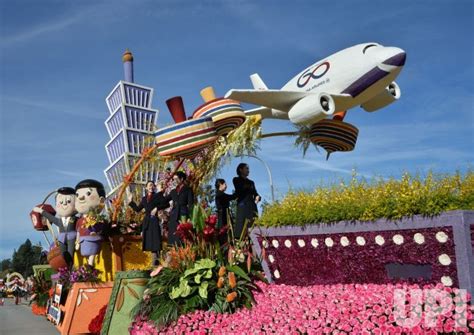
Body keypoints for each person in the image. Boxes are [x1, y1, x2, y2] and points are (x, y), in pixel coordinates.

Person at [128, 181, 169, 266]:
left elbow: (166, 204)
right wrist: (131, 202)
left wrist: (157, 208)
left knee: (156, 244)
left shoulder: (158, 195)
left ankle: (154, 265)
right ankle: (155, 265)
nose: (151, 187)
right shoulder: (144, 199)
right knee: (150, 244)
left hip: (154, 221)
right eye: (149, 185)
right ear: (146, 188)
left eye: (153, 185)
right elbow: (138, 209)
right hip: (146, 223)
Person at [33, 187, 77, 266]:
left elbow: (81, 225)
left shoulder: (75, 219)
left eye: (69, 201)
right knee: (63, 255)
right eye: (61, 202)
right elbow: (50, 217)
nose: (64, 204)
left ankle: (71, 268)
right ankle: (66, 269)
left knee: (71, 255)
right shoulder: (59, 221)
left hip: (71, 238)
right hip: (62, 239)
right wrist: (40, 211)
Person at [74, 179, 107, 267]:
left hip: (93, 239)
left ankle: (90, 267)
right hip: (82, 240)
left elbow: (101, 227)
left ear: (101, 200)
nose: (80, 197)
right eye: (77, 195)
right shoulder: (79, 220)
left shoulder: (97, 218)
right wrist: (77, 241)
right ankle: (88, 268)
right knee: (85, 254)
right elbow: (78, 231)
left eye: (88, 193)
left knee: (92, 253)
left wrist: (97, 233)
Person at [164, 171, 194, 245]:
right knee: (173, 238)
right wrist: (161, 191)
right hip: (174, 216)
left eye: (176, 179)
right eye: (173, 179)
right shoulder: (173, 191)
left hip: (183, 215)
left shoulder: (188, 189)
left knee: (182, 238)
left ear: (181, 179)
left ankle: (183, 254)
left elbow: (191, 204)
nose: (174, 181)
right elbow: (164, 200)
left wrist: (190, 216)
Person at [233, 163, 261, 239]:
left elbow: (255, 192)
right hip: (243, 206)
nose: (248, 170)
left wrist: (257, 196)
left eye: (248, 169)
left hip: (252, 206)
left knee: (253, 226)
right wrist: (249, 187)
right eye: (246, 168)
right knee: (242, 227)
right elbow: (240, 189)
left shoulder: (251, 182)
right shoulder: (236, 180)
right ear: (240, 169)